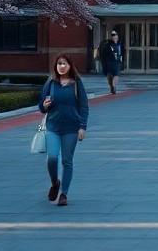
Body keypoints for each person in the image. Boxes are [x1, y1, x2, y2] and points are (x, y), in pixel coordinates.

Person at [38, 53, 89, 206]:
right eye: (59, 63)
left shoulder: (76, 83)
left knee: (67, 161)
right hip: (53, 126)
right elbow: (41, 105)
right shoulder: (51, 82)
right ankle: (55, 183)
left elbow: (84, 106)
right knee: (52, 158)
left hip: (71, 128)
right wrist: (45, 106)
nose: (61, 66)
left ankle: (64, 194)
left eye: (64, 63)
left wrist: (82, 127)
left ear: (70, 66)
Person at [98, 30, 124, 94]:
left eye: (115, 35)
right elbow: (102, 52)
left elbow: (123, 52)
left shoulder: (120, 43)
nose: (114, 36)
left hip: (116, 61)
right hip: (108, 62)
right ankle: (112, 87)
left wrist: (123, 60)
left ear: (117, 36)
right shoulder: (106, 43)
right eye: (112, 35)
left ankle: (113, 87)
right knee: (109, 75)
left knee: (116, 74)